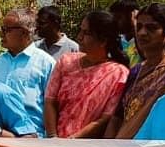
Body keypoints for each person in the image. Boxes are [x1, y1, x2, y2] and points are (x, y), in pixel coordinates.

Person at [43, 10, 130, 138]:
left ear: (103, 40)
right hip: (55, 144)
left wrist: (73, 140)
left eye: (86, 33)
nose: (79, 37)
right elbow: (49, 101)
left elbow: (106, 118)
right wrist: (53, 137)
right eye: (80, 31)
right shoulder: (66, 62)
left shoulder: (118, 74)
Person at [105, 3, 165, 139]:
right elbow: (118, 117)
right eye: (139, 27)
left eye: (151, 28)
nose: (141, 33)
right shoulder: (136, 71)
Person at [0, 8, 56, 137]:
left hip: (30, 140)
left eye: (6, 30)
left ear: (24, 33)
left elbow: (53, 106)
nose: (1, 34)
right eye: (1, 29)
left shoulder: (46, 63)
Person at [110, 0, 141, 65]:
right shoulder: (118, 40)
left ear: (131, 15)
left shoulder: (144, 40)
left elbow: (144, 55)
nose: (115, 22)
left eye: (119, 18)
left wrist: (135, 24)